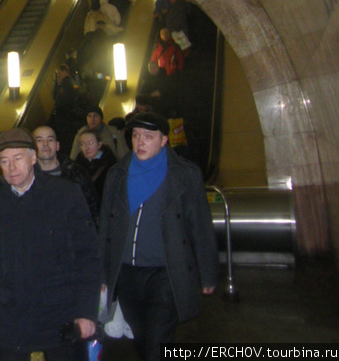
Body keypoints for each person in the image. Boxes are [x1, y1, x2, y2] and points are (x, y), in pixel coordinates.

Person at [0, 128, 100, 361]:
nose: (11, 167)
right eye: (4, 161)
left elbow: (88, 255)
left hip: (60, 314)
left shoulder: (65, 195)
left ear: (33, 158)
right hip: (9, 316)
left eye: (18, 158)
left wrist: (86, 311)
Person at [100, 113, 218, 360]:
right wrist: (101, 273)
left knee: (156, 343)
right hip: (127, 273)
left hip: (166, 273)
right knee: (142, 339)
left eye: (148, 137)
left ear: (164, 140)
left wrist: (208, 273)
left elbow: (200, 225)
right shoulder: (117, 174)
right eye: (136, 136)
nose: (140, 142)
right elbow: (106, 228)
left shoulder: (184, 174)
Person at [33, 125, 100, 222]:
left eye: (50, 140)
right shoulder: (26, 177)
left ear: (57, 145)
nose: (45, 144)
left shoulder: (76, 172)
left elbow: (93, 208)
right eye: (39, 140)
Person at [74, 131, 117, 210]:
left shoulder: (111, 165)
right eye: (82, 144)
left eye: (90, 143)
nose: (87, 148)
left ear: (99, 144)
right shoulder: (76, 166)